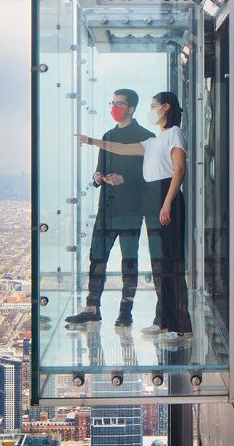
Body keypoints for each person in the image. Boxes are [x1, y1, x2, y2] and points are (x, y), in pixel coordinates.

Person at [76, 91, 193, 346]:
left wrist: (167, 202)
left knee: (171, 264)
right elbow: (122, 149)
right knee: (161, 265)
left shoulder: (174, 133)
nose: (151, 110)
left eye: (153, 106)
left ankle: (180, 326)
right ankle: (164, 321)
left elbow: (180, 169)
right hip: (153, 202)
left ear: (165, 107)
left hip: (164, 199)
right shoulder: (154, 140)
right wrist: (93, 141)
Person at [65, 89, 156, 327]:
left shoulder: (146, 137)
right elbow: (100, 169)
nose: (114, 108)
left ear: (131, 108)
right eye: (112, 103)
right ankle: (92, 308)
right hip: (106, 209)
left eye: (119, 104)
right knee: (97, 258)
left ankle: (126, 312)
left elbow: (151, 178)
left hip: (131, 210)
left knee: (129, 260)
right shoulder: (108, 135)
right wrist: (97, 177)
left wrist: (124, 179)